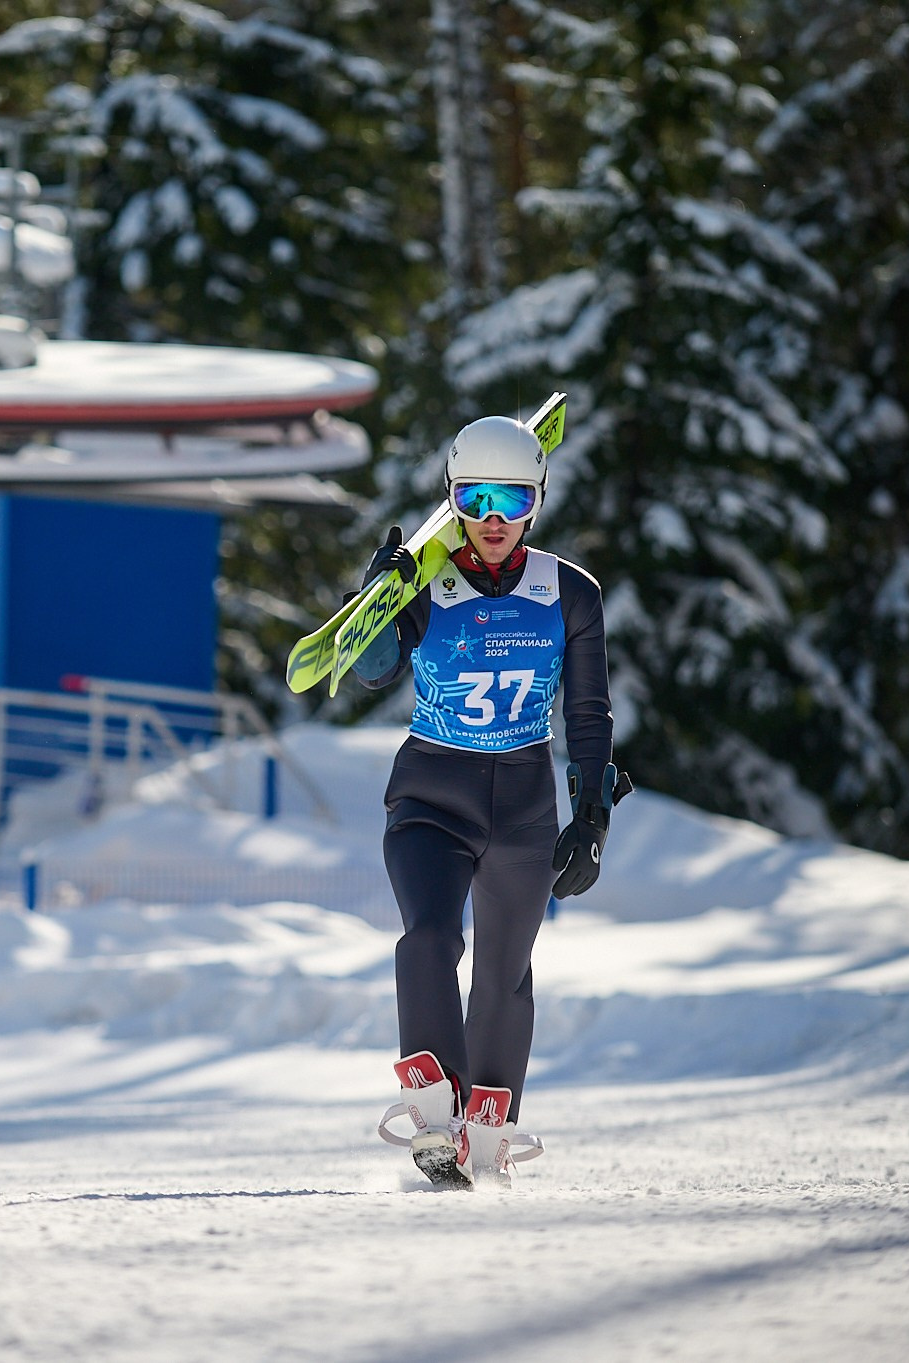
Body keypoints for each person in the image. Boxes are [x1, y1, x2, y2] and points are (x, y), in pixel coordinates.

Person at [356, 414, 622, 1189]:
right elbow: (373, 671)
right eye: (475, 497)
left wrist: (593, 816)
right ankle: (436, 1114)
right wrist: (377, 599)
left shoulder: (570, 592)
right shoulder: (424, 582)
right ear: (454, 498)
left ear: (536, 499)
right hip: (431, 797)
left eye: (511, 497)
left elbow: (587, 715)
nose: (494, 518)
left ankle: (489, 1128)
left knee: (507, 969)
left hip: (525, 806)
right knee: (430, 936)